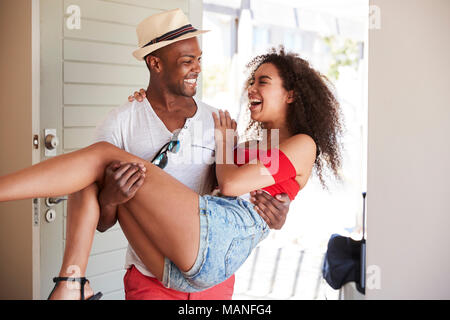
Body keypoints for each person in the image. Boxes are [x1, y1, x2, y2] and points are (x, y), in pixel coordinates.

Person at [0, 45, 344, 298]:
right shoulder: (251, 141)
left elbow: (232, 183)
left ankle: (69, 284)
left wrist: (226, 143)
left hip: (212, 249)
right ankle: (75, 283)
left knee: (102, 156)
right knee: (97, 168)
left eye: (262, 82)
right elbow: (236, 186)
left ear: (291, 95)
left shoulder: (301, 143)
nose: (250, 89)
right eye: (251, 81)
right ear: (155, 64)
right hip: (171, 267)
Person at [53, 9, 291, 300]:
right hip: (151, 280)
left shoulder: (219, 122)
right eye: (187, 61)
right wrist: (111, 198)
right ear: (155, 63)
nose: (198, 69)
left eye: (199, 59)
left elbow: (236, 199)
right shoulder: (121, 124)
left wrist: (277, 213)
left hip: (211, 282)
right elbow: (101, 223)